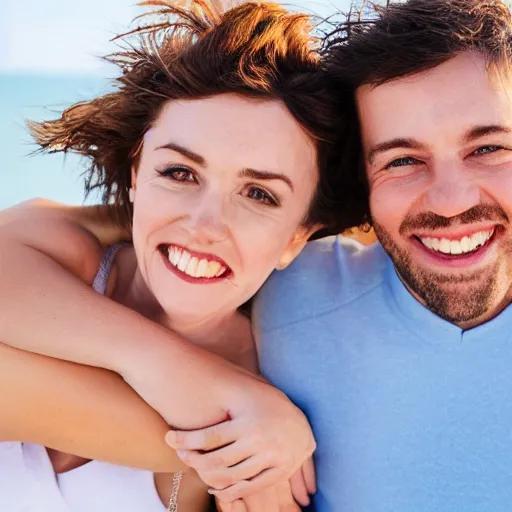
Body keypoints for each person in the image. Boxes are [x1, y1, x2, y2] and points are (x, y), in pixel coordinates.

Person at [0, 1, 364, 510]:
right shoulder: (53, 254)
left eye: (259, 195)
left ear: (296, 237)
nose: (204, 226)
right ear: (135, 173)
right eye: (179, 173)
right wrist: (179, 373)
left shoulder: (280, 402)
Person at [254, 0, 512, 510]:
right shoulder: (286, 289)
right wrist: (209, 388)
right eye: (402, 160)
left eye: (488, 149)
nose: (451, 200)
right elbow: (59, 249)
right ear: (362, 186)